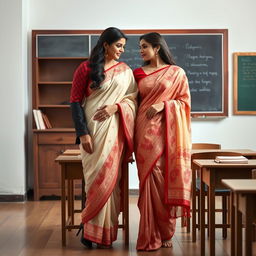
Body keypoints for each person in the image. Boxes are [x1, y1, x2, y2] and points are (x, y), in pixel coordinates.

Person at [70, 27, 137, 249]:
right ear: (106, 44)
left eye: (124, 47)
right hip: (93, 133)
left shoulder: (125, 71)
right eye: (118, 45)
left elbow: (133, 100)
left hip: (114, 133)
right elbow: (75, 102)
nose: (121, 50)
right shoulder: (86, 68)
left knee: (111, 183)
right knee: (94, 182)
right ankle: (90, 230)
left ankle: (105, 234)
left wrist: (116, 107)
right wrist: (83, 133)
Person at [133, 32, 191, 251]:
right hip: (143, 132)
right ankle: (149, 234)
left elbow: (184, 102)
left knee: (162, 178)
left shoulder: (177, 73)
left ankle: (165, 230)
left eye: (144, 46)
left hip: (166, 134)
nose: (140, 50)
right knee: (147, 180)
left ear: (157, 48)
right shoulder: (137, 73)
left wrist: (164, 105)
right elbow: (131, 102)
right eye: (140, 46)